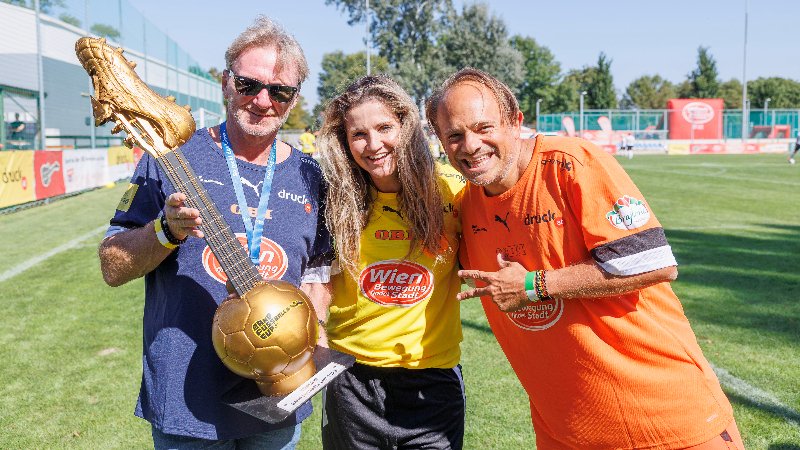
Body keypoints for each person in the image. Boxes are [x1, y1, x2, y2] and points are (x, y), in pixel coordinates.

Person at [426, 68, 744, 449]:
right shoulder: (465, 207)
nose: (471, 145)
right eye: (455, 135)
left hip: (665, 419)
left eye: (483, 127)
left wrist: (534, 285)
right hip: (566, 429)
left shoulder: (571, 163)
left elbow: (654, 263)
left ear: (515, 121)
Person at [98, 16, 332, 449]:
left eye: (280, 92)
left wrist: (299, 338)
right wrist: (165, 232)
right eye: (249, 85)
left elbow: (319, 272)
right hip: (188, 402)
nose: (263, 101)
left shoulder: (310, 175)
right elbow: (112, 265)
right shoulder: (169, 157)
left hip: (277, 401)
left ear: (293, 99)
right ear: (226, 82)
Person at [317, 74, 466, 450]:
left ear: (407, 126)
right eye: (358, 135)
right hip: (351, 381)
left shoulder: (452, 194)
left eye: (385, 127)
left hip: (432, 380)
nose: (373, 144)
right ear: (344, 142)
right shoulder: (332, 203)